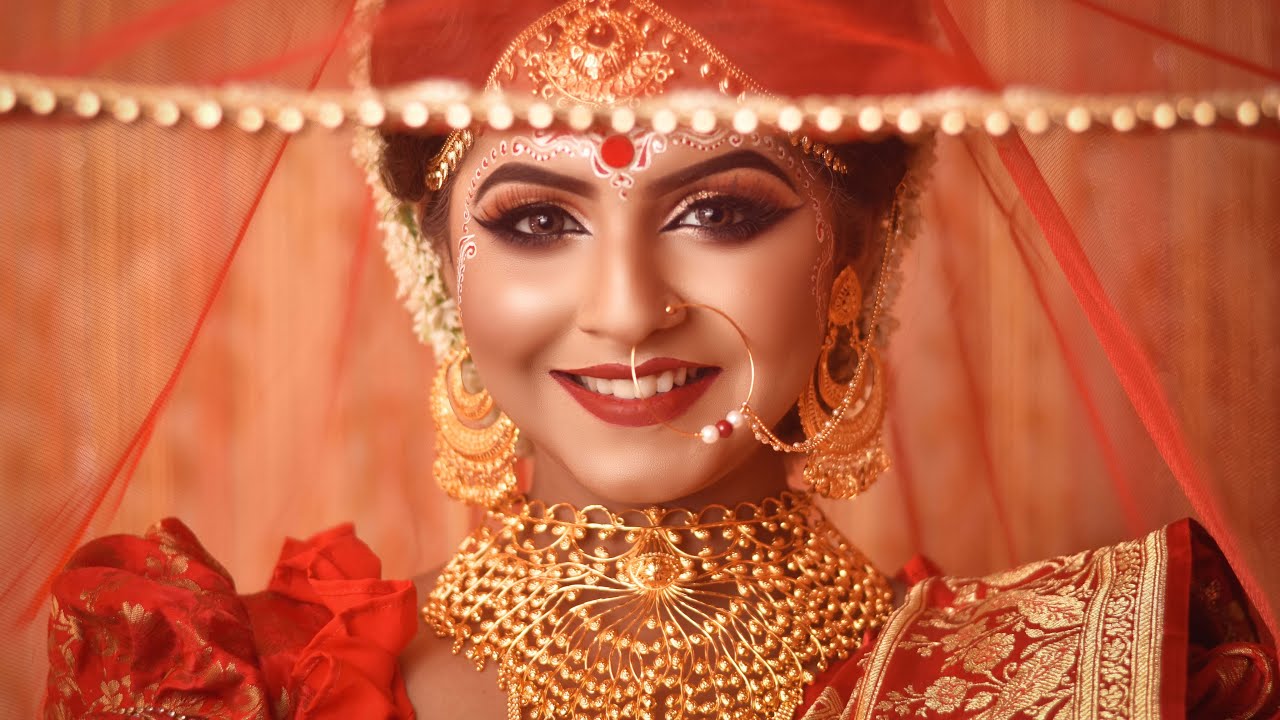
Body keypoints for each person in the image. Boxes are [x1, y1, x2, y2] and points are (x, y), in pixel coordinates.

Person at [4, 0, 1277, 718]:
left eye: (718, 213)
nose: (624, 310)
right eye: (535, 221)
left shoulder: (1077, 677)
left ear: (855, 249)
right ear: (436, 259)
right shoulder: (234, 690)